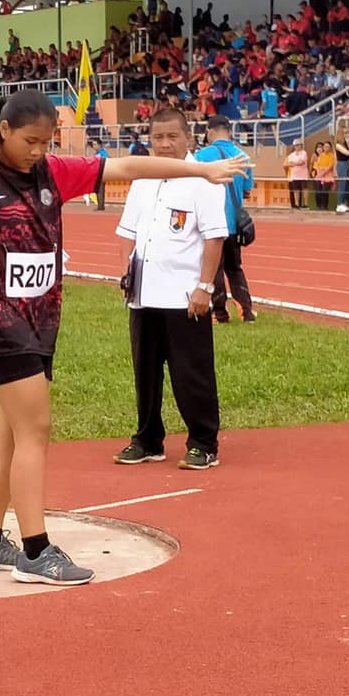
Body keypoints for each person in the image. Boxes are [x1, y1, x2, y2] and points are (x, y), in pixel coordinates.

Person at [0, 90, 247, 586]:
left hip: (40, 319)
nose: (38, 151)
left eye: (46, 141)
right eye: (29, 141)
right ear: (2, 131)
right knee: (36, 431)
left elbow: (127, 167)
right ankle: (35, 551)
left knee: (10, 434)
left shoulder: (54, 172)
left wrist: (199, 171)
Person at [113, 108, 233, 472]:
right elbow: (128, 232)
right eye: (158, 138)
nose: (165, 144)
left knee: (191, 372)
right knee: (145, 373)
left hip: (184, 297)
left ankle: (203, 443)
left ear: (188, 138)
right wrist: (125, 273)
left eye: (172, 137)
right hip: (144, 295)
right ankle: (148, 439)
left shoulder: (203, 180)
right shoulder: (143, 179)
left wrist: (204, 288)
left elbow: (214, 238)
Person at [195, 115, 256, 323]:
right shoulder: (243, 156)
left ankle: (220, 313)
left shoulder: (201, 156)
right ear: (229, 131)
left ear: (209, 131)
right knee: (235, 268)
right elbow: (246, 191)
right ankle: (246, 311)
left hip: (211, 222)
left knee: (215, 268)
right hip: (234, 223)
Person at [283, 138, 309, 209]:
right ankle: (297, 204)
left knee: (305, 189)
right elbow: (289, 163)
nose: (298, 146)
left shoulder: (304, 153)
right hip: (294, 175)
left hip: (303, 175)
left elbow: (302, 162)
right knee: (296, 190)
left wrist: (294, 163)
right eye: (296, 145)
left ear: (301, 145)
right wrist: (296, 163)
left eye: (299, 145)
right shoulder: (291, 155)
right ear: (294, 146)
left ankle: (306, 204)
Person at [334, 124, 349, 213]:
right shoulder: (338, 144)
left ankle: (343, 203)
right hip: (341, 164)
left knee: (346, 185)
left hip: (346, 163)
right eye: (345, 133)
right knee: (342, 184)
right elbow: (346, 153)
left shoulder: (344, 143)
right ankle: (339, 204)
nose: (346, 134)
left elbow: (347, 156)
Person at [311, 140, 335, 211]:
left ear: (330, 148)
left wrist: (323, 172)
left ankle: (325, 206)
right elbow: (317, 165)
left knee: (324, 191)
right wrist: (319, 172)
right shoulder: (321, 155)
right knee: (318, 191)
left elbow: (330, 166)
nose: (326, 148)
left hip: (327, 176)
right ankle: (318, 206)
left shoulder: (331, 155)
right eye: (325, 146)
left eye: (328, 147)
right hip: (319, 176)